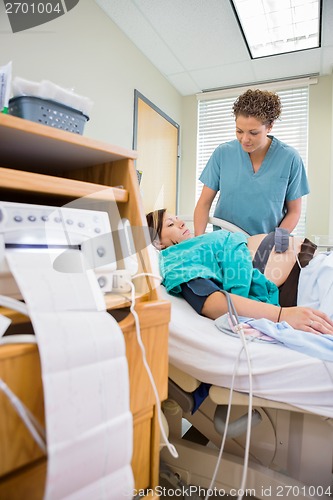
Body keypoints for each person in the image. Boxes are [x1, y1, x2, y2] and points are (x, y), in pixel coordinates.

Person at [146, 209, 333, 336]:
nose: (180, 224)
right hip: (302, 284)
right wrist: (282, 315)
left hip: (312, 267)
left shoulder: (197, 246)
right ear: (158, 244)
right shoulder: (177, 259)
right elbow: (211, 302)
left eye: (177, 218)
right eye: (171, 225)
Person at [194, 89, 309, 236]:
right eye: (239, 131)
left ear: (270, 126)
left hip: (267, 243)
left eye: (253, 133)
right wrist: (198, 241)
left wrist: (276, 244)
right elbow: (204, 203)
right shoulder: (223, 153)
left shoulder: (290, 158)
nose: (245, 139)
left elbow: (294, 211)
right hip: (226, 241)